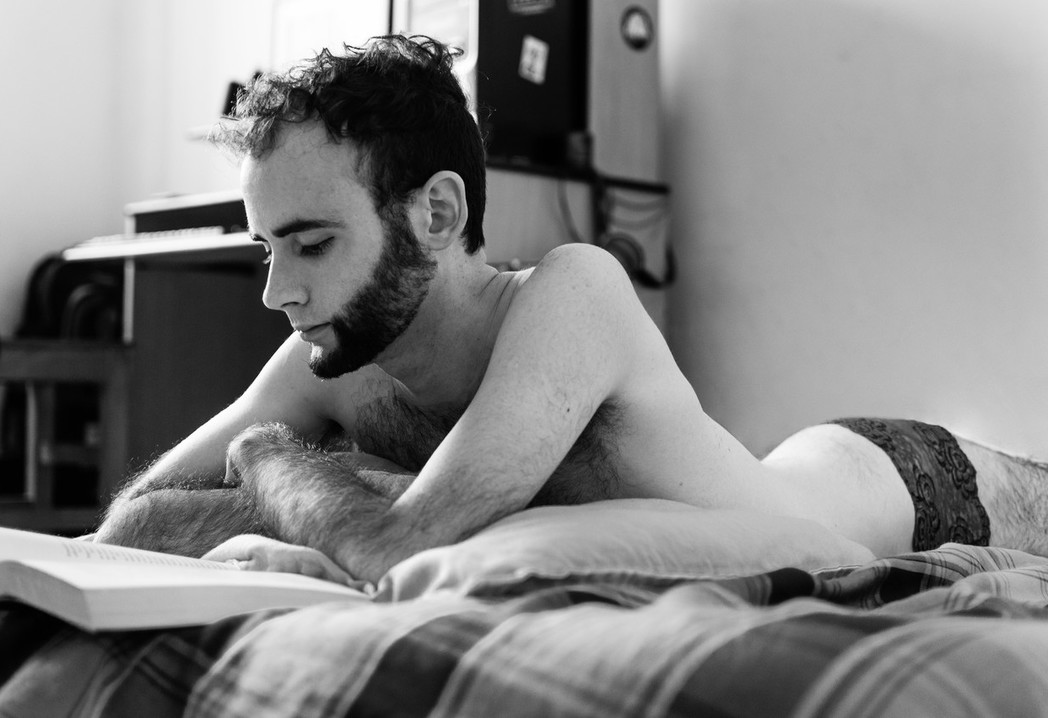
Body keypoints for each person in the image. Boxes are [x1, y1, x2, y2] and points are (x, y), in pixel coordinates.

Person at [94, 35, 1047, 582]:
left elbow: (399, 545)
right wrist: (335, 498)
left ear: (437, 214)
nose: (277, 292)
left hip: (897, 484)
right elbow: (128, 529)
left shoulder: (572, 293)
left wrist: (267, 456)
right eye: (266, 250)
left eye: (311, 244)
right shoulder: (330, 362)